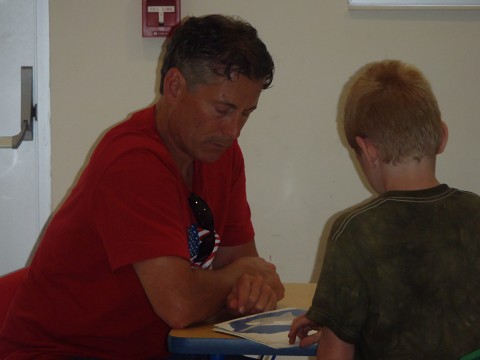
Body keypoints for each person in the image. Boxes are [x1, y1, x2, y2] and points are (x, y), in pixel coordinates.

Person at [0, 14, 284, 359]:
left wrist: (249, 282)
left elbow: (245, 274)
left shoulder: (222, 154)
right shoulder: (132, 161)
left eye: (246, 114)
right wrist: (238, 275)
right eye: (222, 109)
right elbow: (181, 304)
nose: (233, 131)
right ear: (175, 86)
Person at [288, 59, 480, 359]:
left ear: (368, 151)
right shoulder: (475, 213)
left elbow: (335, 356)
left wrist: (337, 333)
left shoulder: (354, 231)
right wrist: (338, 319)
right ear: (442, 136)